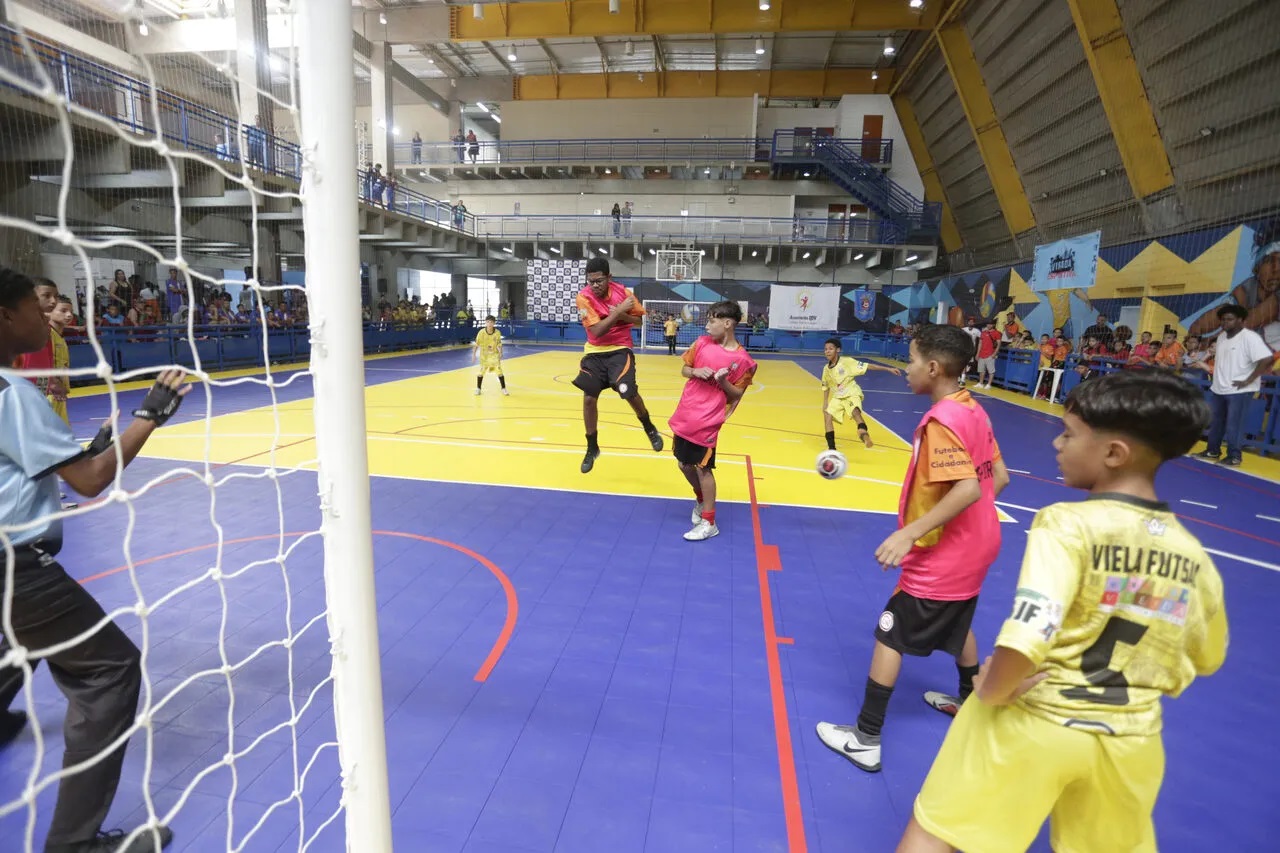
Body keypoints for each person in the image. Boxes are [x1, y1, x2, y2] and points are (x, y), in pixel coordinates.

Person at [897, 370, 1226, 853]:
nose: (1056, 443)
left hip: (1037, 721)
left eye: (1069, 434)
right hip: (1131, 741)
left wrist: (992, 689)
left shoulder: (1067, 525)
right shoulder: (1195, 556)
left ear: (1114, 453)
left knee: (934, 835)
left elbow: (1030, 631)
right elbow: (1207, 656)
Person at [0, 267, 188, 852]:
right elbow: (90, 481)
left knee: (22, 642)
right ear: (6, 317)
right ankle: (73, 846)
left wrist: (96, 445)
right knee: (109, 669)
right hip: (15, 562)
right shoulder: (13, 393)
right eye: (36, 305)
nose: (47, 314)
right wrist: (149, 416)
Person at [815, 324, 1008, 773]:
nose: (907, 369)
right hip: (982, 544)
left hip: (946, 552)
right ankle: (970, 701)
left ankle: (865, 737)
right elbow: (998, 478)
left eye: (913, 361)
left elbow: (965, 487)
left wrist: (909, 533)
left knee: (890, 630)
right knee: (958, 621)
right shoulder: (973, 410)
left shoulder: (943, 419)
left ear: (935, 368)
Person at [666, 301, 757, 541]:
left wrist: (724, 380)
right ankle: (701, 500)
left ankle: (709, 522)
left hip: (708, 420)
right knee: (683, 464)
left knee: (703, 468)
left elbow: (737, 395)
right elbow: (685, 369)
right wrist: (695, 371)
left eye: (712, 321)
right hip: (686, 413)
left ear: (727, 323)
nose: (707, 326)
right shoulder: (702, 343)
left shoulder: (744, 361)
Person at [572, 257, 664, 474]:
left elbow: (639, 322)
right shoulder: (583, 298)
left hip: (620, 349)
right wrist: (617, 313)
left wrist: (622, 314)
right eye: (591, 281)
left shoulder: (624, 293)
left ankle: (649, 427)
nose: (595, 285)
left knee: (626, 390)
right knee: (588, 399)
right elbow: (596, 331)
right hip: (594, 352)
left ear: (609, 277)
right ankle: (592, 446)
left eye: (599, 281)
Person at [1195, 304, 1274, 466]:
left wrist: (1248, 380)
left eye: (1230, 319)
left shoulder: (1249, 337)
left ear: (1241, 320)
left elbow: (1266, 359)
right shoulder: (1222, 337)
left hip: (1239, 390)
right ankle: (1212, 451)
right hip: (1219, 388)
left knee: (1234, 424)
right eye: (1223, 320)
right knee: (1216, 422)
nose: (1225, 323)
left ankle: (1234, 456)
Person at [820, 337, 902, 452]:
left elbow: (868, 366)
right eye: (825, 349)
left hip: (851, 392)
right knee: (827, 416)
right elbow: (825, 385)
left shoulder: (847, 361)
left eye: (830, 349)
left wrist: (888, 369)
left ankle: (864, 434)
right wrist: (825, 403)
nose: (827, 351)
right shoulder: (826, 369)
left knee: (855, 413)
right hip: (838, 397)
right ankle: (832, 449)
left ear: (837, 350)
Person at [473, 315, 508, 396]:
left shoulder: (497, 332)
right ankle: (478, 389)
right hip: (484, 356)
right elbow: (476, 344)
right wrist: (474, 354)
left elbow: (499, 344)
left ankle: (504, 389)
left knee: (499, 371)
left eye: (491, 322)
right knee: (481, 372)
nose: (489, 324)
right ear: (485, 323)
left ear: (494, 323)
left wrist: (500, 352)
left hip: (494, 355)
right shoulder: (481, 332)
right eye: (488, 322)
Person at [975, 320, 1001, 389]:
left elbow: (998, 344)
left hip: (990, 354)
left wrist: (994, 353)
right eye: (987, 324)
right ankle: (981, 383)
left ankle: (989, 384)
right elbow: (980, 343)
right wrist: (977, 353)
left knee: (991, 370)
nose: (988, 325)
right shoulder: (983, 333)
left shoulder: (997, 333)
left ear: (993, 325)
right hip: (981, 354)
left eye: (990, 324)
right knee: (981, 370)